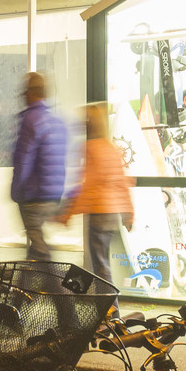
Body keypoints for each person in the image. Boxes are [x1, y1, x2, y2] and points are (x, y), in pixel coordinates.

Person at [59, 104, 133, 285]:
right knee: (102, 262)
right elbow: (121, 183)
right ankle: (106, 305)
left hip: (99, 213)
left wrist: (67, 212)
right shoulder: (110, 148)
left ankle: (108, 307)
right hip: (111, 215)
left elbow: (88, 185)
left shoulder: (90, 148)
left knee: (100, 264)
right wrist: (128, 214)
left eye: (84, 121)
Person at [11, 72, 66, 262]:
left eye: (25, 90)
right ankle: (29, 285)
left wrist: (16, 191)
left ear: (32, 92)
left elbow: (24, 158)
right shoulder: (58, 122)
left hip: (33, 194)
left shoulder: (31, 119)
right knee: (35, 248)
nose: (23, 95)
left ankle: (55, 286)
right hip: (53, 194)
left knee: (39, 247)